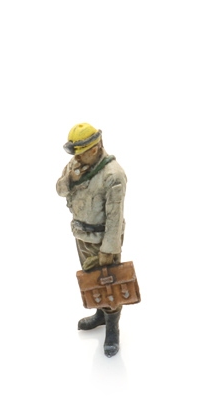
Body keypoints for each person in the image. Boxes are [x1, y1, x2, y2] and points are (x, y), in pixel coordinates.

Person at [56, 123, 128, 357]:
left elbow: (115, 218)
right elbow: (60, 190)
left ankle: (112, 327)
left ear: (95, 149)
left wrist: (109, 250)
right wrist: (70, 177)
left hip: (103, 240)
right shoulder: (76, 164)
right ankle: (100, 313)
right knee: (92, 279)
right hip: (82, 235)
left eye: (81, 153)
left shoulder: (113, 175)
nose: (77, 158)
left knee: (109, 284)